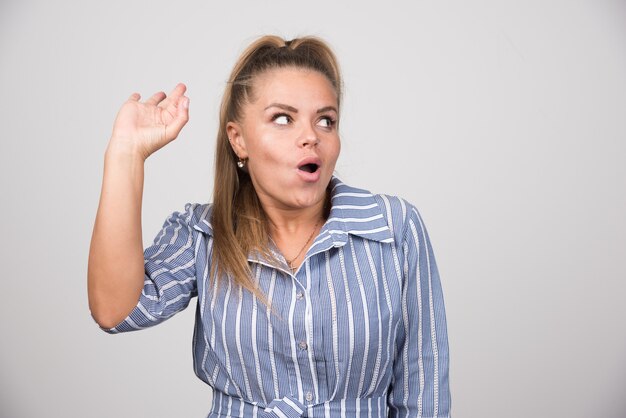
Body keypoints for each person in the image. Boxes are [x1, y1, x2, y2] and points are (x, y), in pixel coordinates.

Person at [88, 35, 451, 418]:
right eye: (283, 118)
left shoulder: (394, 228)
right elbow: (114, 310)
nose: (311, 136)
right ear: (238, 140)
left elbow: (424, 390)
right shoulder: (202, 234)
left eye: (325, 120)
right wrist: (126, 153)